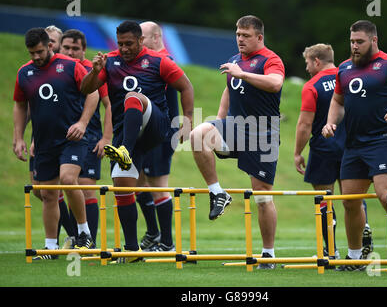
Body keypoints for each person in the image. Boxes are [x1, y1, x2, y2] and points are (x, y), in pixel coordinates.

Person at [80, 20, 194, 263]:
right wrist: (94, 71)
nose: (124, 48)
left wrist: (188, 119)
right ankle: (132, 251)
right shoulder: (109, 61)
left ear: (141, 41)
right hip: (128, 134)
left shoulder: (158, 61)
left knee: (134, 98)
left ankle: (124, 151)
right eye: (120, 44)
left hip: (155, 126)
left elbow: (186, 86)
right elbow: (85, 89)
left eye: (129, 43)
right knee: (122, 184)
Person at [322, 20, 387, 274]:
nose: (355, 47)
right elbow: (337, 100)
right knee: (350, 202)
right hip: (354, 144)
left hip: (383, 141)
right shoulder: (345, 68)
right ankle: (355, 257)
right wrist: (329, 123)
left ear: (374, 41)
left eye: (360, 42)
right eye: (352, 42)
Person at [189, 15, 284, 269]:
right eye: (238, 34)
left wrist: (242, 74)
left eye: (245, 35)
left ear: (259, 37)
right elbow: (229, 90)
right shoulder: (233, 61)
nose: (240, 39)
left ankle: (268, 254)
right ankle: (218, 193)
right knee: (198, 135)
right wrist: (218, 123)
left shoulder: (270, 59)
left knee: (262, 197)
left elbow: (275, 84)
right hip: (234, 127)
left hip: (263, 132)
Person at [13, 27, 98, 258]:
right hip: (43, 142)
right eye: (31, 53)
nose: (36, 57)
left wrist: (82, 123)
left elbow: (93, 93)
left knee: (69, 179)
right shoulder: (24, 73)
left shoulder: (70, 66)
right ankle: (50, 247)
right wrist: (19, 137)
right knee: (49, 194)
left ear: (50, 46)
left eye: (40, 51)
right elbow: (21, 105)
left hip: (73, 138)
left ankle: (84, 233)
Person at [294, 43, 373, 259]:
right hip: (352, 147)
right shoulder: (351, 78)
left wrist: (297, 152)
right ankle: (361, 239)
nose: (307, 68)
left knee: (324, 199)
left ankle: (331, 251)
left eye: (308, 63)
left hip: (324, 148)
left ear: (317, 61)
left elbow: (304, 124)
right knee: (354, 198)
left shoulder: (312, 85)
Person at [60, 29, 113, 248]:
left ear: (83, 50)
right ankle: (74, 236)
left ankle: (87, 243)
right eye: (66, 48)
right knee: (52, 189)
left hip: (90, 137)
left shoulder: (93, 72)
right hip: (61, 137)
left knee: (86, 187)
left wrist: (106, 138)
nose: (70, 52)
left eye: (75, 48)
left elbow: (108, 104)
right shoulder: (57, 70)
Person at [134, 21, 180, 252]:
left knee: (158, 187)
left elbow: (178, 98)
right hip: (143, 135)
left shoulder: (165, 61)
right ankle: (153, 233)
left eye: (142, 38)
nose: (139, 42)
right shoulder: (146, 62)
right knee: (138, 184)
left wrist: (176, 130)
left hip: (161, 134)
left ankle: (167, 243)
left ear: (155, 37)